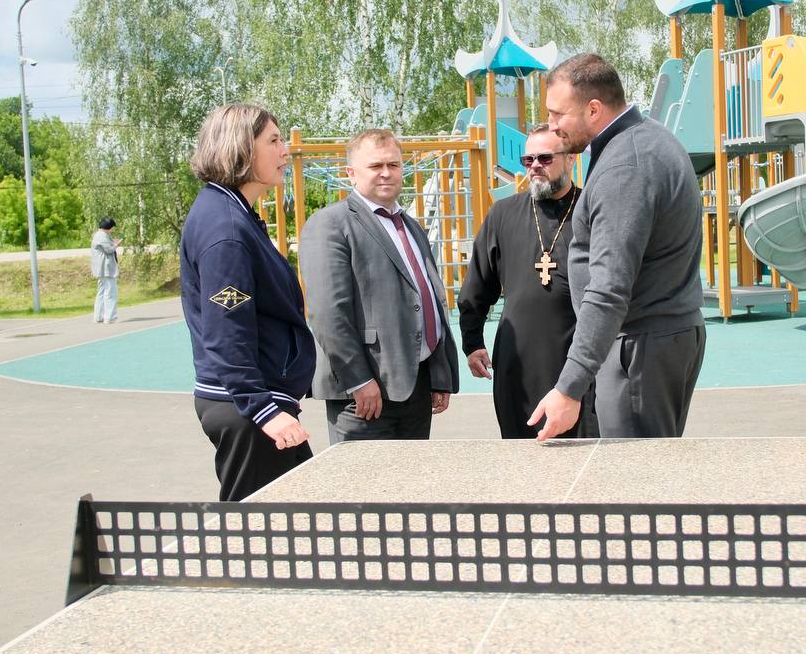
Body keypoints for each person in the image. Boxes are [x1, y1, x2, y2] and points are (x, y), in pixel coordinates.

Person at [527, 53, 706, 441]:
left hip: (640, 349)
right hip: (655, 341)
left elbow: (608, 287)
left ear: (593, 109)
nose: (552, 126)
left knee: (634, 473)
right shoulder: (645, 139)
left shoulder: (626, 167)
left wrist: (569, 386)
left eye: (558, 114)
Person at [181, 103, 316, 501]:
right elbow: (226, 330)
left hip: (255, 402)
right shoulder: (225, 227)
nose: (284, 151)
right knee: (253, 528)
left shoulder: (232, 214)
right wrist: (262, 410)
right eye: (273, 141)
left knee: (296, 513)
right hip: (248, 408)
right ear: (240, 147)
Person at [300, 129, 458, 443]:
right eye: (375, 166)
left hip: (416, 387)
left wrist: (438, 373)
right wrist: (358, 380)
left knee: (410, 474)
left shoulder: (411, 226)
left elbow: (427, 301)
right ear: (351, 173)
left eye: (394, 165)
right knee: (364, 477)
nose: (386, 173)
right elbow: (328, 314)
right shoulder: (330, 224)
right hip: (364, 395)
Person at [457, 124, 598, 439]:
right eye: (528, 160)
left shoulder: (591, 211)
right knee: (520, 453)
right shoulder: (503, 214)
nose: (534, 166)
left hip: (577, 361)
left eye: (545, 158)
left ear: (571, 158)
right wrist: (472, 342)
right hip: (516, 365)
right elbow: (478, 285)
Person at [90, 217, 121, 323]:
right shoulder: (101, 236)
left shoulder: (99, 235)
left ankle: (98, 316)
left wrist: (113, 243)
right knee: (110, 292)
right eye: (112, 228)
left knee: (102, 292)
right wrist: (116, 244)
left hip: (101, 269)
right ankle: (109, 317)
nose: (112, 230)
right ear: (108, 227)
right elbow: (109, 250)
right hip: (106, 268)